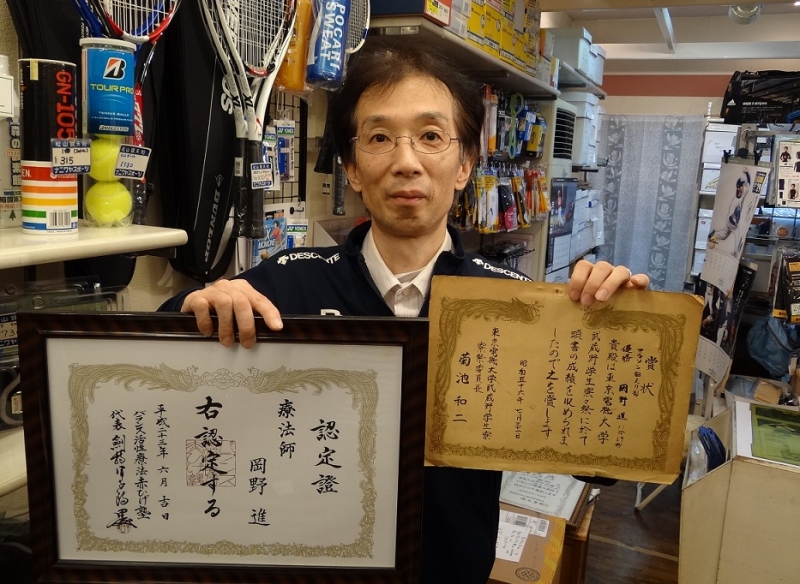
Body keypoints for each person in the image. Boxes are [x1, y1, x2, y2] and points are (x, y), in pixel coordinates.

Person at [160, 44, 649, 584]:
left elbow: (597, 461)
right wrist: (197, 308)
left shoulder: (514, 307)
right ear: (351, 167)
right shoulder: (288, 283)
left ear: (465, 164)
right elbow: (161, 357)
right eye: (379, 138)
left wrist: (608, 341)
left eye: (431, 136)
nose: (406, 161)